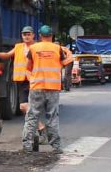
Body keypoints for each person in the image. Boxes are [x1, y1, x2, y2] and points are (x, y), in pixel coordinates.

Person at [25, 25, 74, 153]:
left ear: (40, 35)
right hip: (53, 88)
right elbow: (65, 62)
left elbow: (28, 67)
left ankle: (27, 146)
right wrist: (69, 55)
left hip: (36, 87)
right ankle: (56, 147)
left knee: (32, 116)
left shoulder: (33, 48)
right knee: (52, 117)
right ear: (52, 36)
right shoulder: (57, 48)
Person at [0, 25, 36, 116]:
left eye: (28, 34)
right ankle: (39, 124)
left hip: (35, 80)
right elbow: (7, 55)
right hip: (23, 81)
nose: (26, 36)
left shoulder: (37, 47)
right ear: (22, 36)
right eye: (24, 34)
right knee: (23, 106)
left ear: (33, 35)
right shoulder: (18, 47)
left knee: (34, 105)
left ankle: (35, 124)